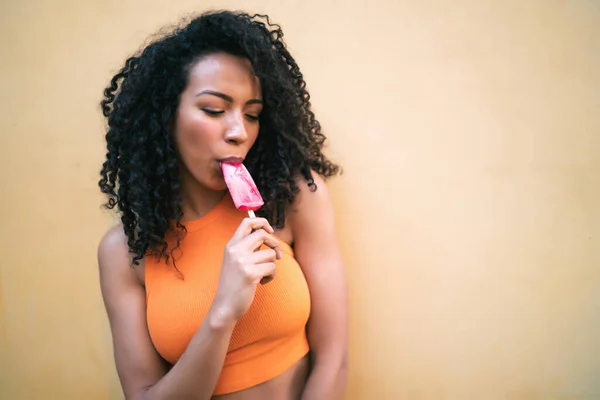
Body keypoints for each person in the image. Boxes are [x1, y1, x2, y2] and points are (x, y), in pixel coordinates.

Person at [96, 10, 348, 400]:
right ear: (165, 116)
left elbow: (334, 358)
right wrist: (224, 311)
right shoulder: (124, 252)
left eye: (253, 115)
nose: (239, 132)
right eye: (214, 110)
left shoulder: (292, 198)